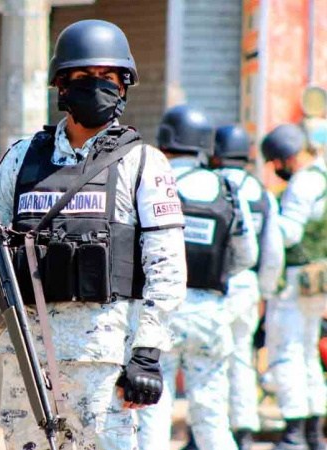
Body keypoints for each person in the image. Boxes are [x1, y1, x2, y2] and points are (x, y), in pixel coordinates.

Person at [0, 19, 187, 449]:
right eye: (83, 76)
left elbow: (166, 266)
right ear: (61, 86)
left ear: (124, 86)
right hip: (27, 359)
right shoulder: (21, 158)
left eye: (108, 77)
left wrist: (148, 353)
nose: (97, 86)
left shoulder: (143, 163)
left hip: (103, 362)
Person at [136, 105, 258, 450]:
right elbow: (247, 255)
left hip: (159, 315)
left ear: (165, 141)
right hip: (210, 315)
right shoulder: (228, 188)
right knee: (212, 418)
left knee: (152, 413)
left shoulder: (151, 184)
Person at [209, 124, 285, 450]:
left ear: (215, 153)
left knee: (211, 362)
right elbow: (273, 251)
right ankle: (244, 432)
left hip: (211, 287)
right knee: (242, 358)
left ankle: (208, 434)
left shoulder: (211, 185)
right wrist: (264, 291)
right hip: (247, 286)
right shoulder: (260, 192)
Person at [262, 124, 327, 450]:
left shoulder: (302, 183)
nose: (276, 168)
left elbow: (288, 234)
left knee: (286, 353)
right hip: (317, 280)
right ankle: (314, 434)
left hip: (294, 282)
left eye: (276, 162)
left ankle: (293, 434)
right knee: (308, 354)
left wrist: (267, 218)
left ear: (286, 156)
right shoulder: (322, 176)